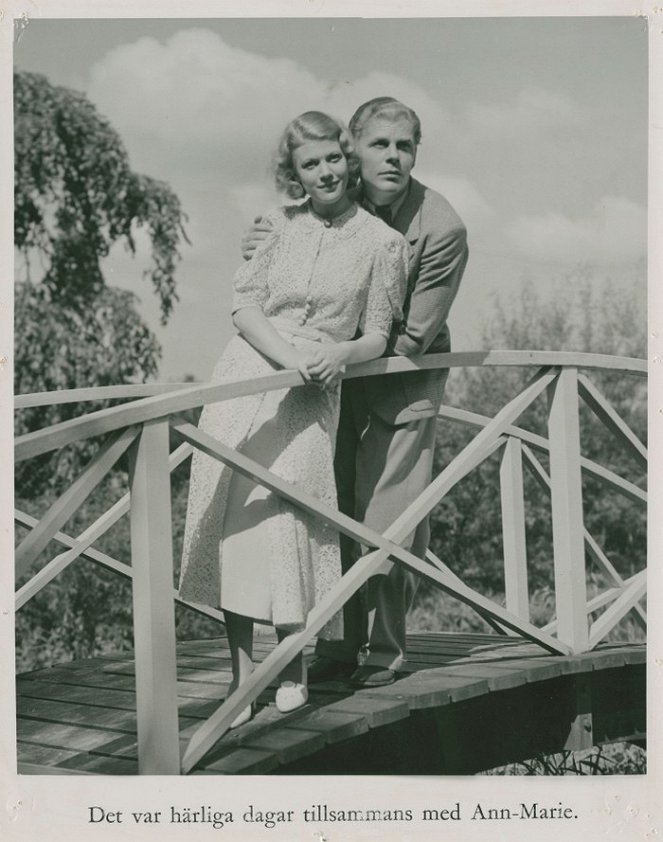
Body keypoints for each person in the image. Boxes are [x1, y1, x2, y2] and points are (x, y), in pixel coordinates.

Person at [179, 110, 408, 725]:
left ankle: (293, 663)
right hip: (246, 374)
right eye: (311, 164)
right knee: (236, 517)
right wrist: (288, 361)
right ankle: (240, 674)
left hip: (314, 390)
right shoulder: (274, 226)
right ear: (295, 174)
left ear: (348, 159)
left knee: (288, 518)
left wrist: (335, 354)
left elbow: (380, 335)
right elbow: (244, 308)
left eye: (333, 158)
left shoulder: (383, 244)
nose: (325, 172)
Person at [242, 97, 469, 688]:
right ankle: (339, 646)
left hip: (401, 384)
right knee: (331, 506)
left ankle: (386, 651)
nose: (393, 157)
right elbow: (296, 244)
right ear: (353, 150)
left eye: (405, 146)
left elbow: (413, 336)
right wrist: (268, 236)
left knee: (390, 520)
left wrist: (333, 340)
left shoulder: (441, 228)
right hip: (334, 382)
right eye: (379, 145)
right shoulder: (337, 200)